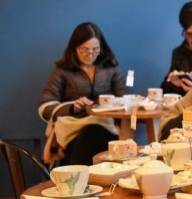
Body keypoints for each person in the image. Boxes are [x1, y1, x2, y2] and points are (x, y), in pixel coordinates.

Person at [39, 22, 127, 166]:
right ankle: (81, 182)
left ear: (101, 48)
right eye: (84, 50)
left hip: (104, 125)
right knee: (89, 136)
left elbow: (124, 100)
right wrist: (72, 108)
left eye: (95, 50)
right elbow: (44, 108)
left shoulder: (110, 67)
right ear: (74, 48)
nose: (90, 55)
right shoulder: (63, 70)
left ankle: (75, 181)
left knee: (92, 134)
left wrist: (102, 106)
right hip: (73, 127)